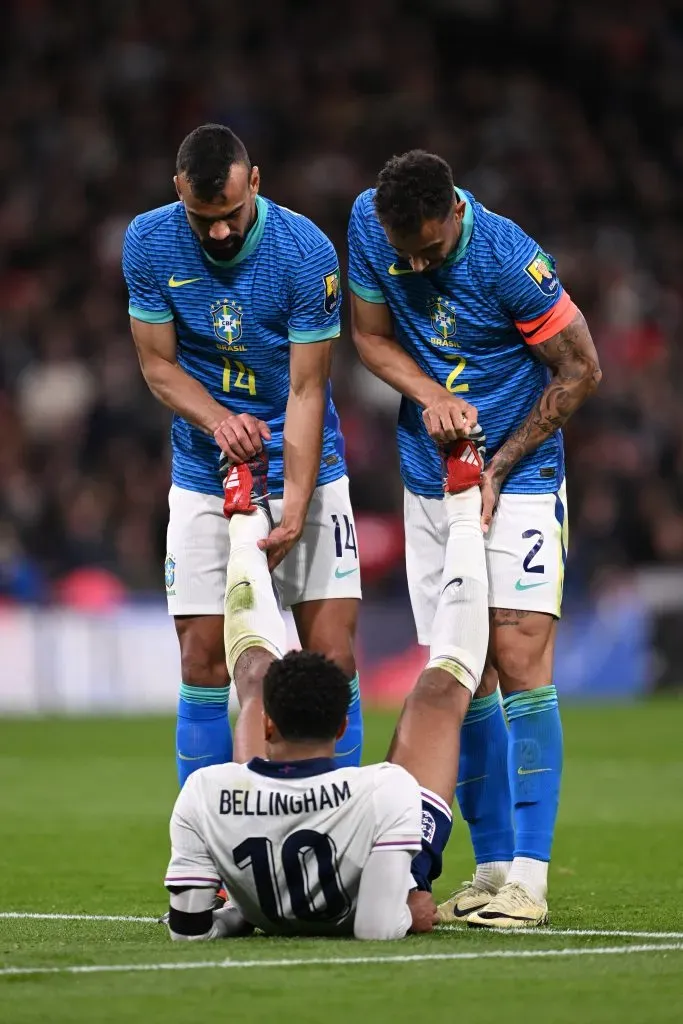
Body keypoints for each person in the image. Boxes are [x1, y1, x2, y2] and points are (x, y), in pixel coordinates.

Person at [348, 150, 602, 928]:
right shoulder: (369, 225)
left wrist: (497, 466)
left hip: (518, 477)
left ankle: (529, 878)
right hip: (428, 480)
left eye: (429, 248)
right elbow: (369, 338)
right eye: (407, 254)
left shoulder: (508, 259)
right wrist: (430, 394)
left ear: (453, 211)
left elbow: (581, 369)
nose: (418, 265)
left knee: (519, 655)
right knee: (464, 667)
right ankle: (490, 868)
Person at [121, 123, 363, 783]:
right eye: (204, 218)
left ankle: (336, 830)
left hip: (307, 469)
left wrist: (295, 503)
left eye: (231, 212)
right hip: (205, 474)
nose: (221, 231)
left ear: (254, 181)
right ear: (179, 191)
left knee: (332, 658)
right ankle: (206, 841)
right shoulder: (148, 241)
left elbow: (308, 388)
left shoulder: (304, 251)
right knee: (202, 661)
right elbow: (157, 365)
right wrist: (219, 421)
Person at [163, 649, 432, 941]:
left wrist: (238, 916)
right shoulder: (387, 787)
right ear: (342, 727)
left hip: (258, 912)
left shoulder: (204, 789)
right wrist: (409, 914)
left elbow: (188, 931)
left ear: (266, 724)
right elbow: (376, 929)